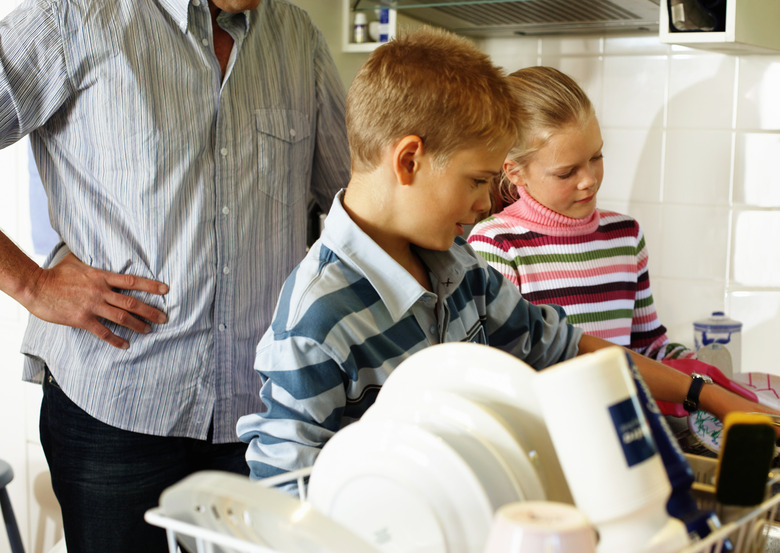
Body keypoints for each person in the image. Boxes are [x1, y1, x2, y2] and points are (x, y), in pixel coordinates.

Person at [236, 27, 777, 484]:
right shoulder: (317, 321)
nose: (484, 203)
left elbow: (567, 349)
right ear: (409, 162)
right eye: (477, 181)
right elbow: (287, 490)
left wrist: (708, 396)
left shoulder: (460, 271)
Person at [0, 0, 349, 550]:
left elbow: (355, 195)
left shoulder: (296, 35)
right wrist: (31, 285)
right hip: (113, 406)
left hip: (264, 412)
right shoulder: (73, 15)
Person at [468, 66, 693, 362]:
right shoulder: (497, 245)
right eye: (566, 172)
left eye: (596, 157)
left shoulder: (625, 235)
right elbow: (499, 364)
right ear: (516, 172)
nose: (588, 179)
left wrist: (695, 366)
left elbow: (647, 346)